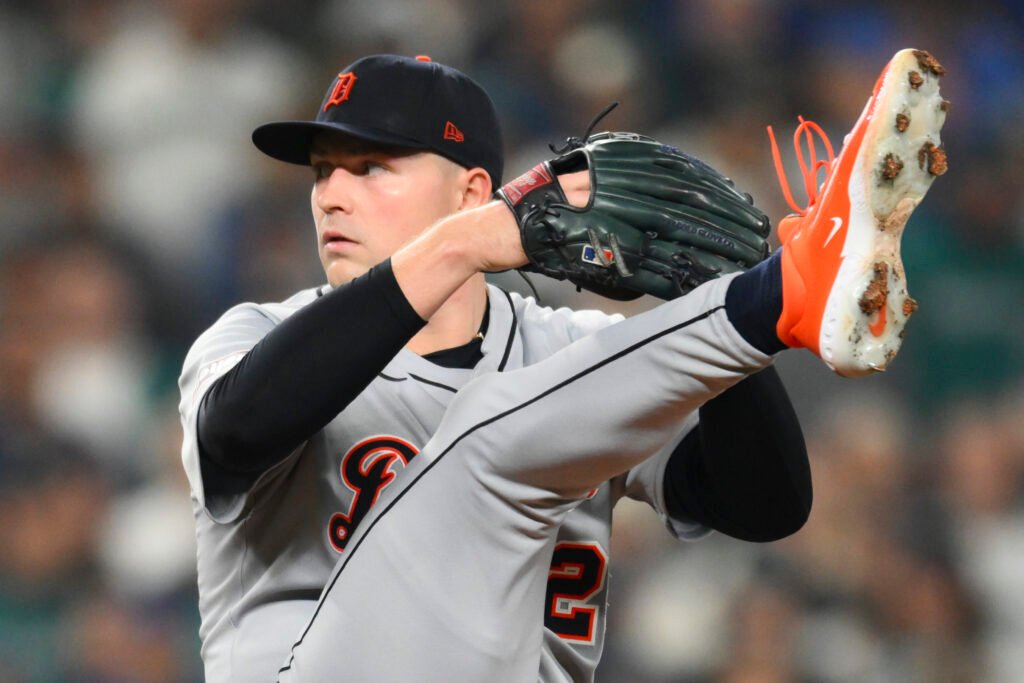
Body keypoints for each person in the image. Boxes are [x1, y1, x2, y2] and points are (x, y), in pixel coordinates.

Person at [178, 50, 945, 681]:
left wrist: (705, 293)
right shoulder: (255, 336)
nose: (329, 197)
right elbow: (239, 429)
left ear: (470, 191)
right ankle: (785, 292)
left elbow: (765, 505)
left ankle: (779, 295)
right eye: (322, 171)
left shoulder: (577, 356)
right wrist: (468, 245)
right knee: (486, 437)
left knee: (515, 412)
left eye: (371, 166)